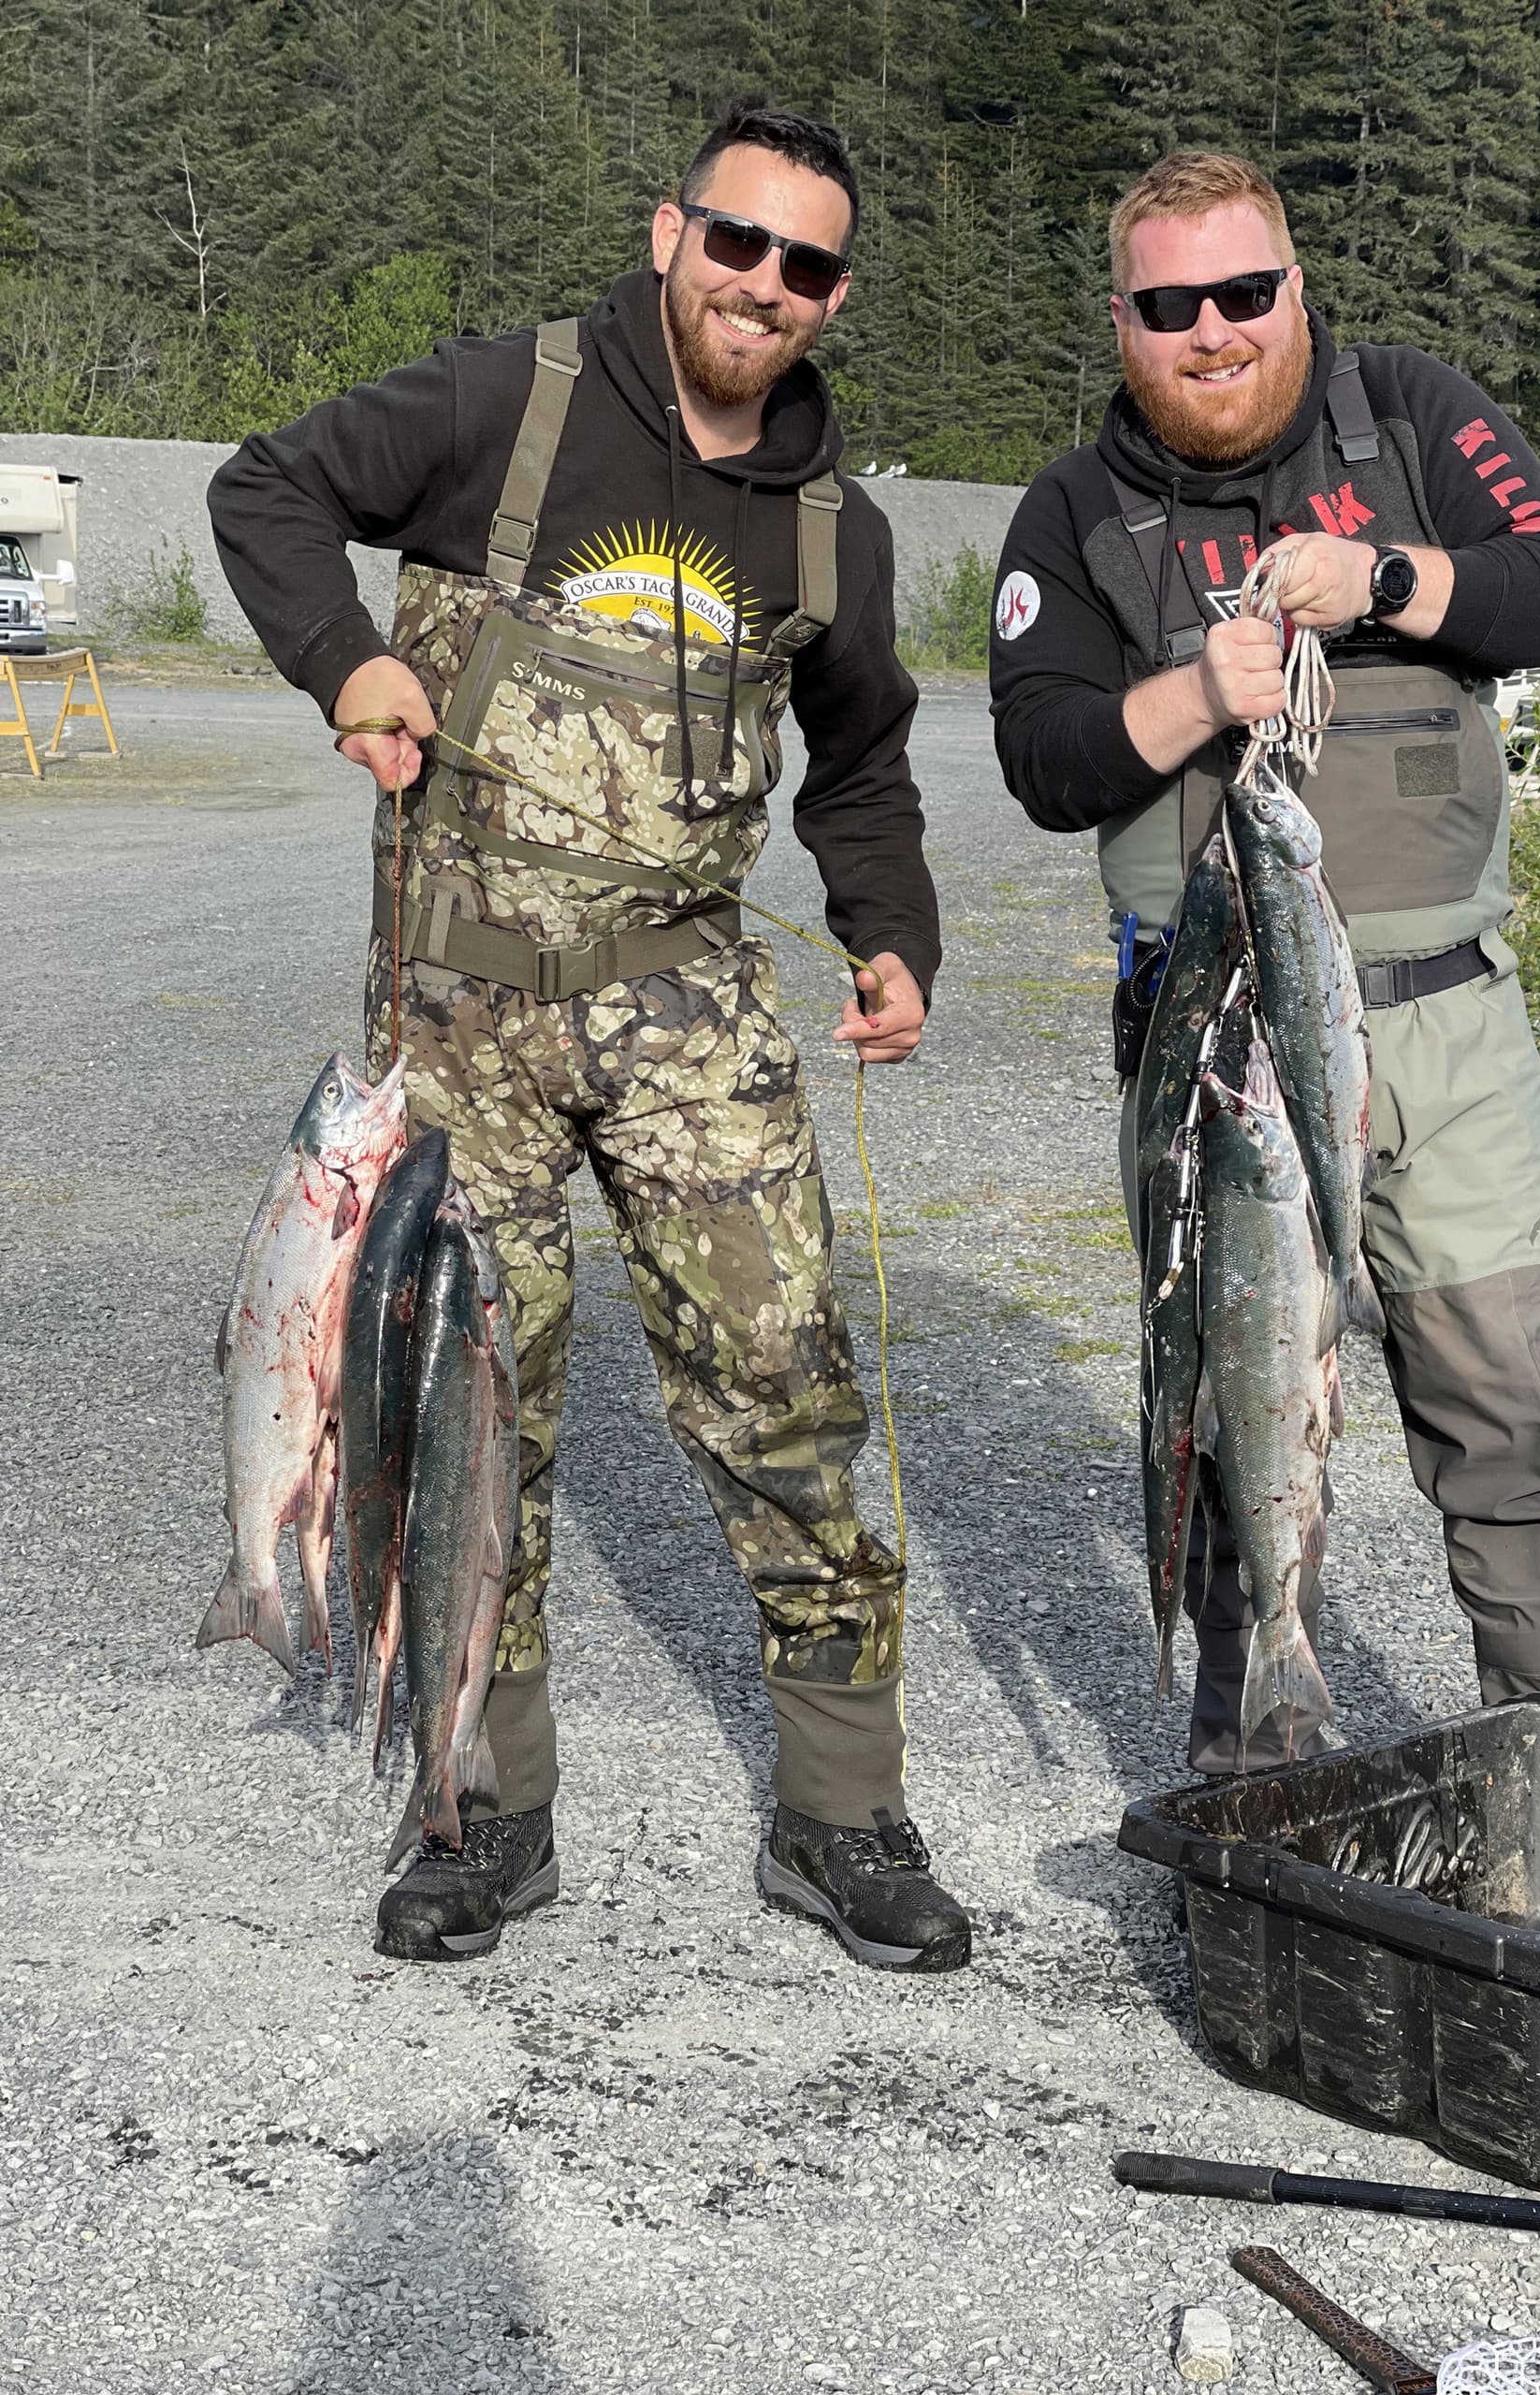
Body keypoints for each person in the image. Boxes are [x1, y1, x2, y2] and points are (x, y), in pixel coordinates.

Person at [209, 100, 971, 1970]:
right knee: (472, 1403)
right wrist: (349, 661)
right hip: (455, 1016)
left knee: (783, 1381)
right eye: (736, 243)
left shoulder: (828, 527)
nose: (761, 287)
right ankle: (478, 1801)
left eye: (804, 266)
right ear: (669, 233)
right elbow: (264, 493)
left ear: (835, 295)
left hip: (690, 1002)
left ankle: (845, 1811)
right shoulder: (506, 407)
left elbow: (862, 765)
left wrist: (894, 941)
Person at [989, 148, 1540, 1773]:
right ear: (1125, 324)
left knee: (1512, 1420)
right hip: (1216, 1056)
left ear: (1297, 295)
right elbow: (1047, 760)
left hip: (1445, 1033)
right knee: (1235, 1398)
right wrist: (1201, 693)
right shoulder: (1075, 510)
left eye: (1245, 293)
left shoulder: (1406, 414)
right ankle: (1252, 1744)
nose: (1214, 329)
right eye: (1170, 303)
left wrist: (1392, 580)